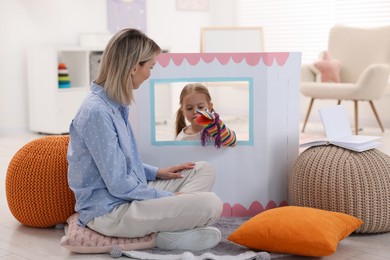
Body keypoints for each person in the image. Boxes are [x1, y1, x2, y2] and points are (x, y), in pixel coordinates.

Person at [67, 28, 223, 251]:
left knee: (203, 169)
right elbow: (119, 183)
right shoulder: (97, 112)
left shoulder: (114, 104)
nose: (150, 73)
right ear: (133, 68)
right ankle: (161, 236)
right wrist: (166, 196)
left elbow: (118, 165)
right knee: (211, 204)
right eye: (150, 66)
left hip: (128, 195)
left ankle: (175, 226)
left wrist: (156, 172)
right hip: (111, 212)